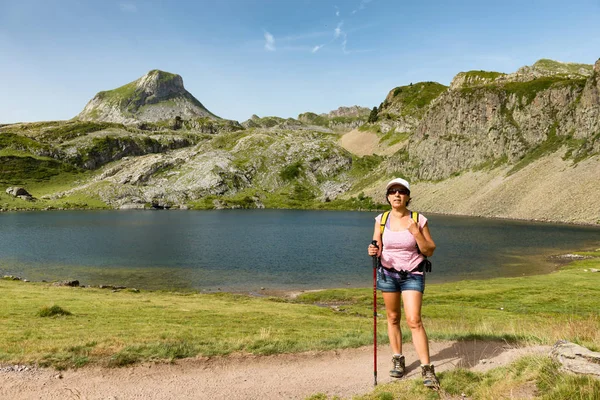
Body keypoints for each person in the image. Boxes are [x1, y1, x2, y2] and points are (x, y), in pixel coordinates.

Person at [367, 177, 440, 389]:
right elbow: (377, 245)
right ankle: (398, 358)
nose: (396, 195)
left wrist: (416, 233)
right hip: (388, 274)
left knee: (414, 320)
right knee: (392, 317)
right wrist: (372, 250)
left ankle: (427, 368)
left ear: (407, 196)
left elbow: (429, 250)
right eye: (392, 192)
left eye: (401, 191)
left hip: (413, 273)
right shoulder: (381, 219)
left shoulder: (418, 219)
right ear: (388, 197)